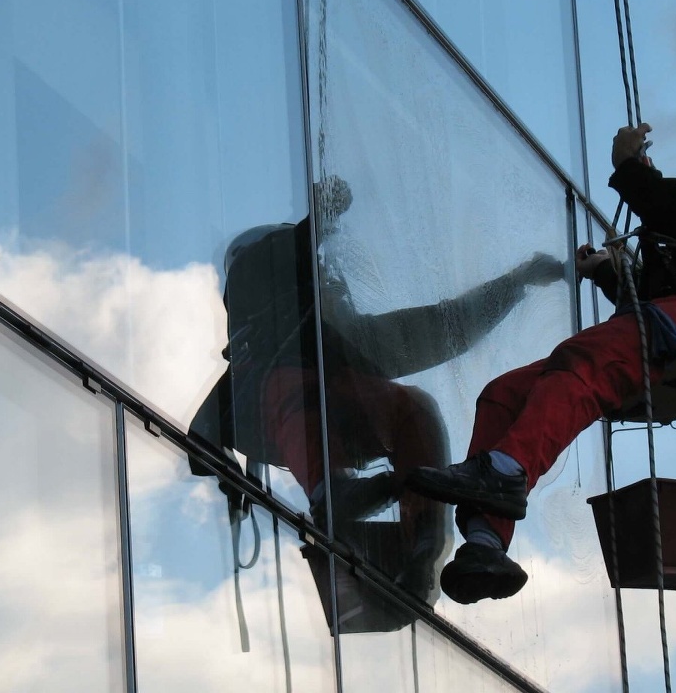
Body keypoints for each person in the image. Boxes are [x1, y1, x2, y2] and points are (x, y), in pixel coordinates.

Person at [404, 123, 676, 604]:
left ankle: (504, 471)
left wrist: (627, 164)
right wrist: (611, 273)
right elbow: (663, 277)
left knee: (581, 358)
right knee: (506, 394)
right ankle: (484, 545)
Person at [189, 176, 564, 627]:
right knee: (292, 389)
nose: (330, 284)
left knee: (415, 408)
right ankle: (335, 494)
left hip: (330, 420)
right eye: (318, 274)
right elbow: (201, 437)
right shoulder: (259, 355)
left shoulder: (350, 344)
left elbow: (442, 327)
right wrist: (318, 222)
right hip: (277, 413)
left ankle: (423, 546)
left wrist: (515, 283)